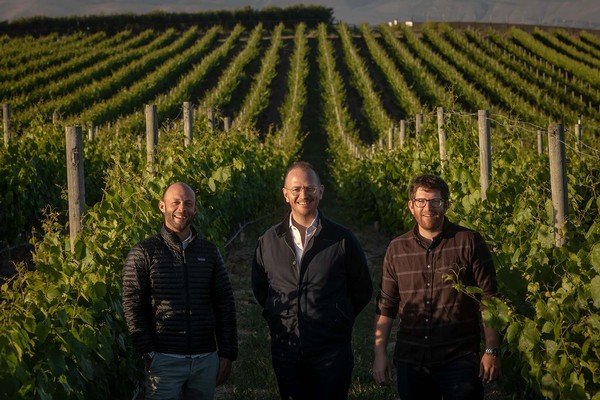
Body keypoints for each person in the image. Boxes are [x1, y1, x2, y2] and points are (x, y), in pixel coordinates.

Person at [373, 174, 501, 400]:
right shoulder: (396, 249)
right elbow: (387, 306)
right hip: (411, 360)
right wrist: (380, 354)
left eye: (435, 201)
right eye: (421, 201)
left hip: (459, 358)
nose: (428, 208)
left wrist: (491, 349)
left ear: (446, 205)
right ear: (411, 206)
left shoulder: (469, 241)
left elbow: (489, 299)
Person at [252, 161, 373, 400]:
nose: (303, 195)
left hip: (331, 350)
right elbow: (260, 288)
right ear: (285, 195)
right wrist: (278, 317)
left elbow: (362, 289)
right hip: (286, 348)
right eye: (296, 189)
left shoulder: (342, 239)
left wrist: (339, 317)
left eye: (310, 188)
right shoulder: (269, 240)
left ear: (321, 191)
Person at [122, 182, 238, 400]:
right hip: (164, 360)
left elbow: (225, 303)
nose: (181, 208)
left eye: (188, 203)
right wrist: (148, 353)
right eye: (175, 202)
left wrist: (227, 353)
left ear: (195, 209)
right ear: (162, 206)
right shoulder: (144, 252)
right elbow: (131, 304)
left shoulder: (209, 252)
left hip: (205, 359)